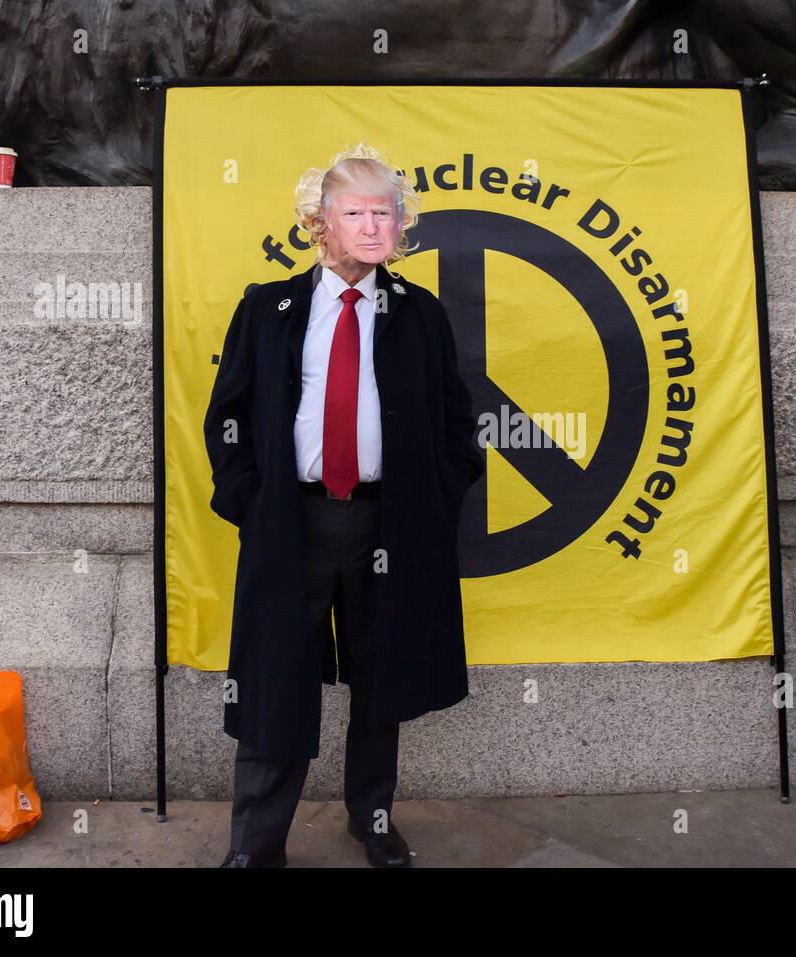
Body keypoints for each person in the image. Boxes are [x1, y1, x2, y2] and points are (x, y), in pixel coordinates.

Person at [203, 143, 484, 868]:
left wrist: (434, 501)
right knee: (274, 684)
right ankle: (255, 843)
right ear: (318, 223)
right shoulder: (268, 308)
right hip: (289, 524)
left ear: (401, 225)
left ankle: (375, 817)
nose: (371, 224)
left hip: (387, 523)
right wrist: (249, 501)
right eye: (354, 211)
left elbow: (458, 425)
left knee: (381, 678)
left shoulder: (419, 314)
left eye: (383, 211)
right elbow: (226, 414)